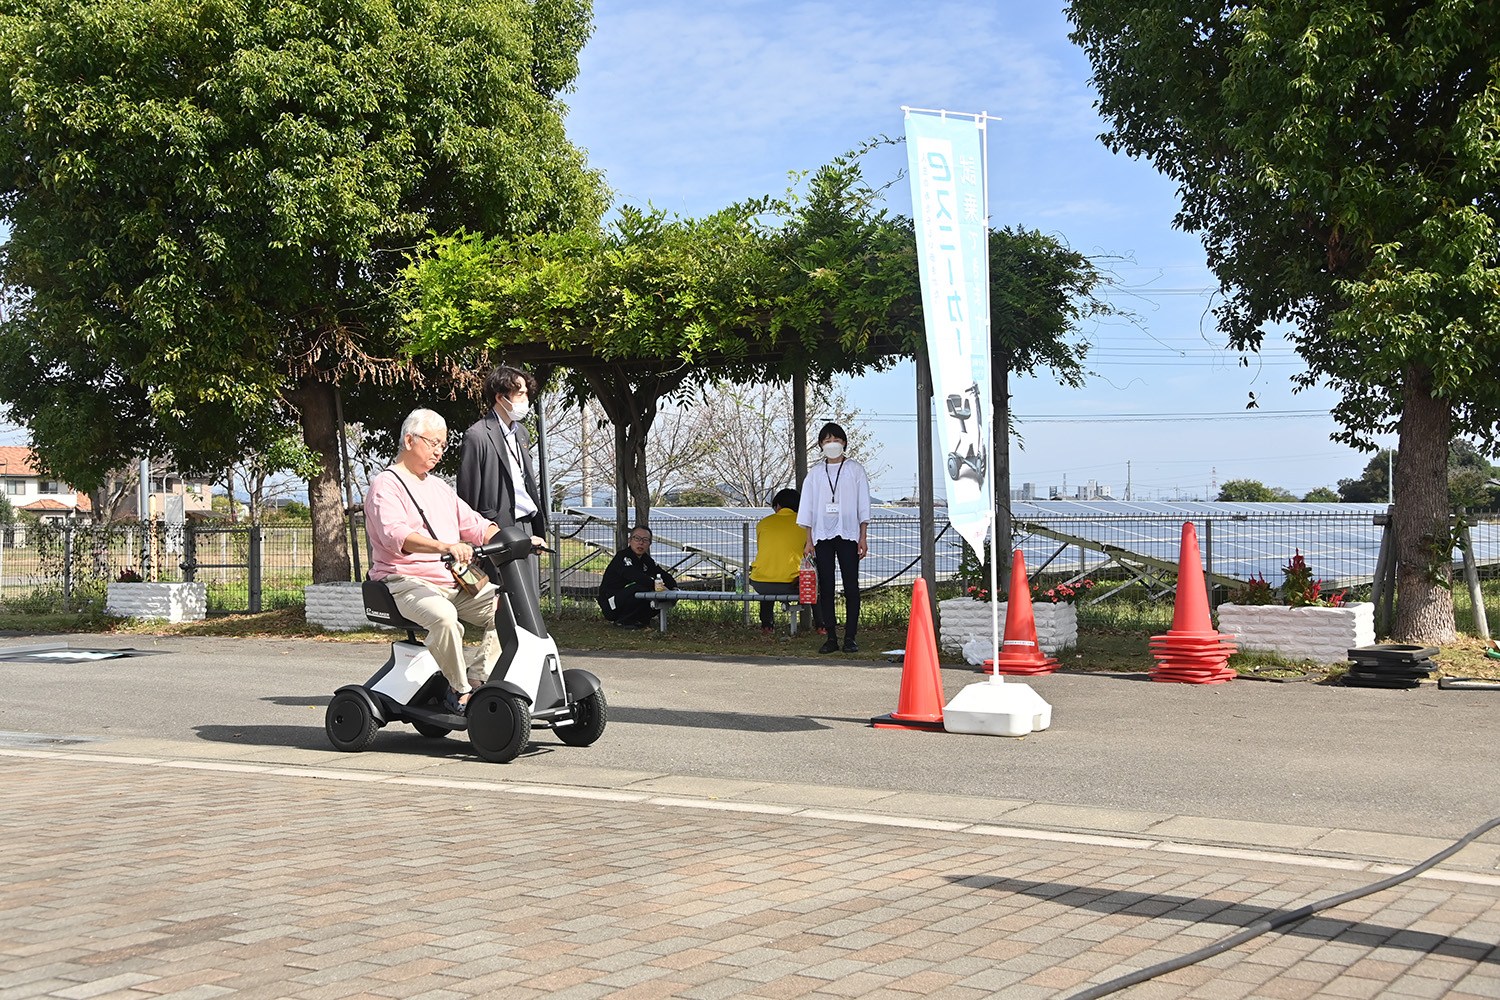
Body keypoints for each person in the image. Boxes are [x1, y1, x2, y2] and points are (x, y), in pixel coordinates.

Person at [366, 408, 502, 713]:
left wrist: (513, 539)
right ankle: (459, 689)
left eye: (443, 444)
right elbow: (395, 536)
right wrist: (446, 546)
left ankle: (478, 680)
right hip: (405, 581)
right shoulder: (386, 486)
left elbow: (476, 525)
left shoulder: (440, 487)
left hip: (454, 580)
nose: (439, 451)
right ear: (410, 440)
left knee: (507, 607)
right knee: (443, 617)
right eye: (433, 443)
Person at [457, 365, 546, 582]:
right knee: (502, 599)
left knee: (529, 596)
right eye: (520, 394)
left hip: (526, 525)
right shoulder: (477, 435)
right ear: (501, 397)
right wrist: (472, 541)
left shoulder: (521, 433)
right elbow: (467, 495)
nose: (526, 400)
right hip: (495, 529)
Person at [797, 422, 871, 654]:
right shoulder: (815, 474)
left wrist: (863, 536)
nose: (832, 445)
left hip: (848, 533)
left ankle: (850, 637)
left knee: (852, 586)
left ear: (844, 442)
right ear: (820, 445)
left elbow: (863, 505)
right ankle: (830, 635)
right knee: (826, 586)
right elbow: (807, 508)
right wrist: (809, 540)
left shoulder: (855, 469)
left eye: (836, 440)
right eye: (827, 441)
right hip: (822, 535)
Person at [748, 488, 809, 635]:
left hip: (761, 584)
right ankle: (822, 626)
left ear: (779, 506)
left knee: (767, 578)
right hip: (792, 585)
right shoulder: (806, 526)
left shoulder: (763, 523)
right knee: (815, 582)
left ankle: (767, 625)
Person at [597, 525, 677, 628]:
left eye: (645, 540)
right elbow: (636, 576)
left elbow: (662, 574)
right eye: (637, 539)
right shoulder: (622, 557)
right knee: (643, 587)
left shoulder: (646, 560)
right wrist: (659, 587)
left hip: (627, 599)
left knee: (654, 590)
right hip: (611, 603)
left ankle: (640, 620)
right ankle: (623, 621)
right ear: (630, 540)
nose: (641, 543)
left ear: (650, 544)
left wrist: (674, 588)